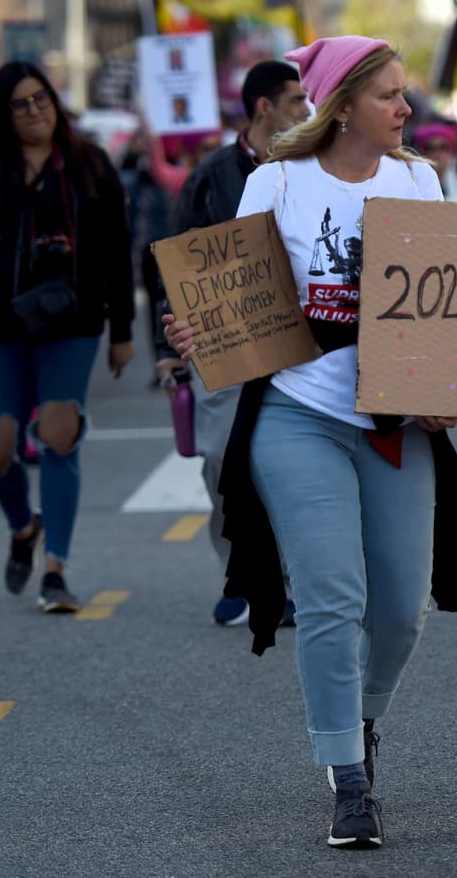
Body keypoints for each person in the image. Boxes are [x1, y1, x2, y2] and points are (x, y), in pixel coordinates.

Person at [163, 37, 457, 850]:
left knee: (403, 610)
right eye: (389, 97)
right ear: (342, 107)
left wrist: (446, 392)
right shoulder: (275, 181)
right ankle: (347, 777)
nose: (408, 111)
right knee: (332, 596)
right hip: (298, 416)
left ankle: (362, 722)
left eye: (405, 96)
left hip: (394, 424)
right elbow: (238, 301)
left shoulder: (421, 181)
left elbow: (445, 310)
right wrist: (200, 330)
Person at [0, 62, 135, 613]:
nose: (34, 111)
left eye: (41, 98)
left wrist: (123, 329)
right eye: (20, 104)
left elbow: (118, 249)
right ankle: (24, 528)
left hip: (72, 320)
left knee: (58, 432)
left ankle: (56, 569)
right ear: (2, 113)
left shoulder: (89, 166)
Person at [153, 59, 310, 628]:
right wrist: (167, 343)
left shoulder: (313, 166)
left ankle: (289, 581)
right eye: (295, 100)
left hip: (296, 339)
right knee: (222, 463)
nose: (306, 110)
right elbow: (171, 259)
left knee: (288, 463)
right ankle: (239, 575)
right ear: (263, 107)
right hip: (221, 340)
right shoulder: (214, 174)